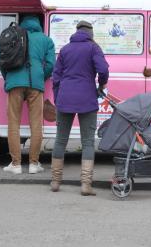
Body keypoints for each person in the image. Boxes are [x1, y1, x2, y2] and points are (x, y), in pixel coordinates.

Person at [50, 20, 109, 195]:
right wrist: (101, 84)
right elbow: (103, 69)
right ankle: (85, 184)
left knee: (61, 140)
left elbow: (56, 76)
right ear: (90, 33)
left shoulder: (65, 49)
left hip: (65, 98)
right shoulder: (93, 48)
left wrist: (58, 97)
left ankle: (55, 181)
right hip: (87, 98)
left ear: (76, 32)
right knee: (88, 142)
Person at [0, 16, 55, 175]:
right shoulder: (46, 40)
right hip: (36, 83)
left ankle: (15, 164)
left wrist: (7, 77)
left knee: (13, 123)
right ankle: (34, 164)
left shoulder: (13, 34)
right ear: (39, 25)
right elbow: (51, 64)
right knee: (36, 123)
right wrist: (41, 77)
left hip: (14, 81)